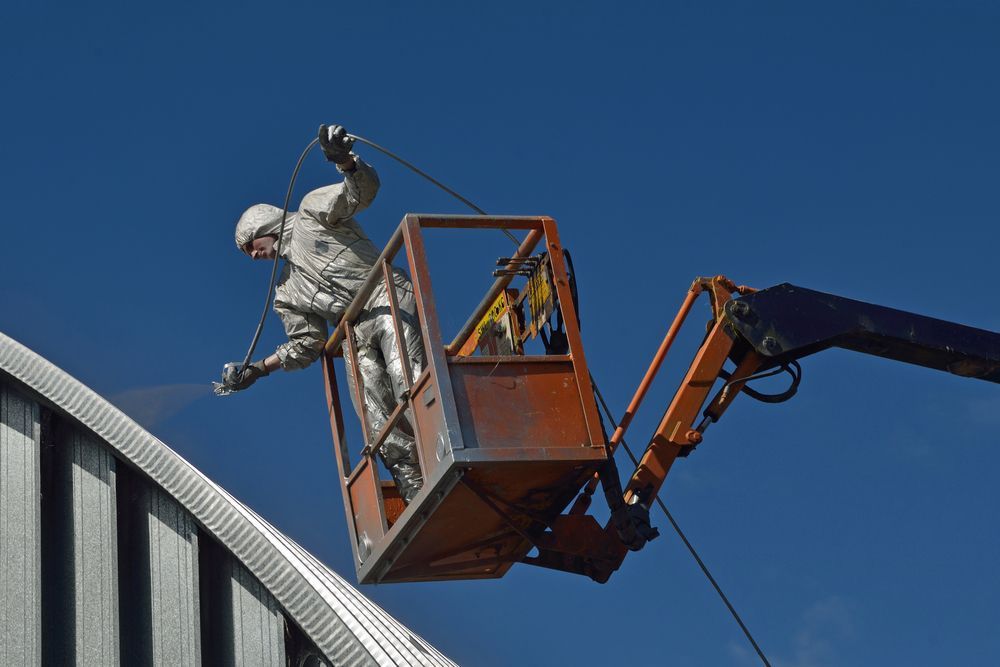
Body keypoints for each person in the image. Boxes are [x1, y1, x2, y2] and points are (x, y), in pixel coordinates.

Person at [230, 125, 426, 503]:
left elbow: (359, 194)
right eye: (247, 255)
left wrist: (347, 162)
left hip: (385, 295)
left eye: (251, 246)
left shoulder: (310, 212)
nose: (254, 257)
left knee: (406, 379)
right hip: (353, 330)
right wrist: (257, 369)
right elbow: (307, 343)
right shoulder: (287, 292)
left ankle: (440, 449)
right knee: (374, 414)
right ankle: (415, 489)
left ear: (263, 226)